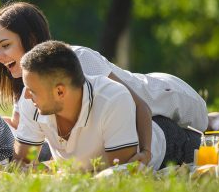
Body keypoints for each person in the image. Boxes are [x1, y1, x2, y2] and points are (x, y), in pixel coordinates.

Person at [0, 1, 208, 165]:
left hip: (163, 96)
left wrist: (145, 152)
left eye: (5, 45)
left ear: (31, 39)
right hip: (140, 120)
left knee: (210, 125)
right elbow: (24, 125)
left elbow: (139, 105)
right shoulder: (30, 83)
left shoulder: (78, 60)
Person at [17, 41, 200, 170]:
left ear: (60, 92)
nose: (25, 95)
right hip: (125, 121)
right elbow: (21, 164)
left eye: (32, 90)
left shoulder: (112, 97)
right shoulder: (32, 101)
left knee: (215, 141)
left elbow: (118, 173)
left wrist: (146, 150)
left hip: (167, 140)